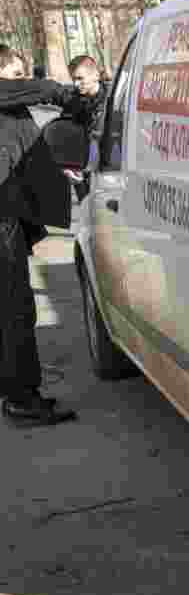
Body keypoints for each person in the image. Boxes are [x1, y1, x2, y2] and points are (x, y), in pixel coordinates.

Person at [0, 44, 76, 426]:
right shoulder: (7, 96)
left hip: (10, 219)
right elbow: (36, 91)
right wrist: (58, 89)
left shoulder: (10, 109)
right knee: (15, 311)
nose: (21, 83)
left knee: (13, 311)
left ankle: (15, 391)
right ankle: (21, 400)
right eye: (15, 75)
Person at [58, 55, 108, 201]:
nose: (76, 84)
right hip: (82, 173)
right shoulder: (72, 102)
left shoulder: (114, 98)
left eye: (80, 78)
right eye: (73, 79)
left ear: (96, 75)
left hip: (109, 171)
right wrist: (67, 167)